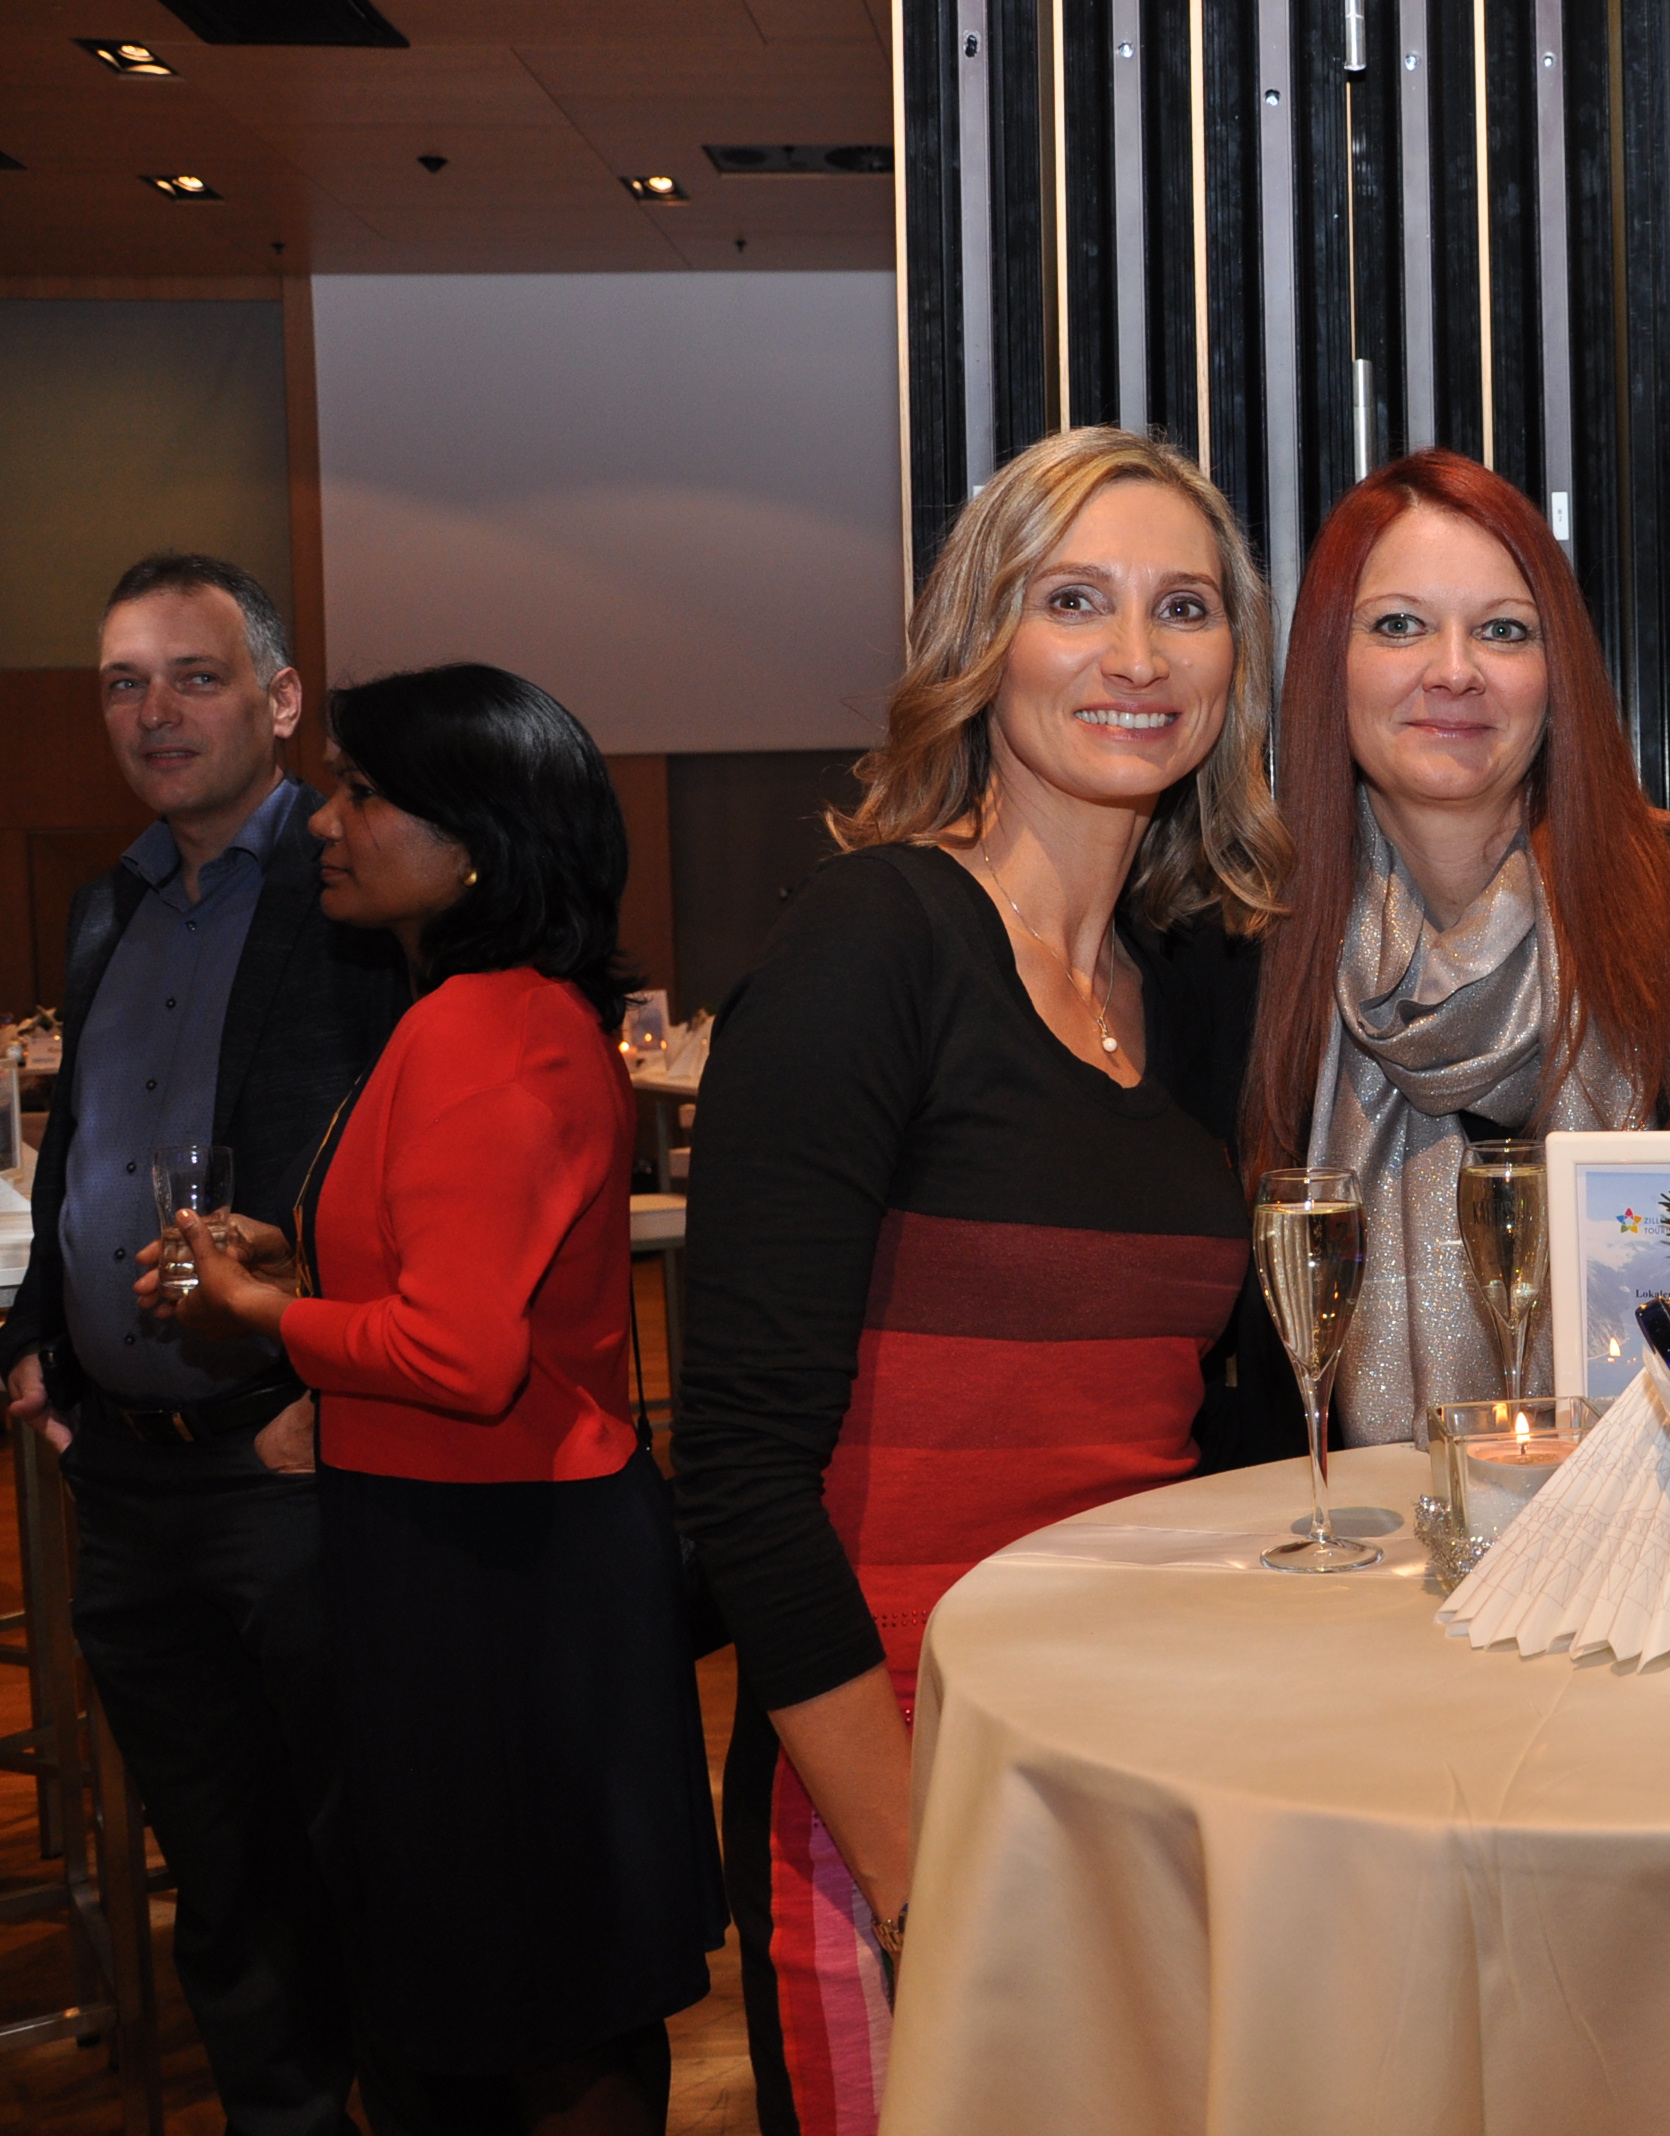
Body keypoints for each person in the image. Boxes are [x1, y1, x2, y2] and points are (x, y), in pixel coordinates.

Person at [671, 427, 1292, 2136]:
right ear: (980, 641)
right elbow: (740, 1468)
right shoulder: (875, 941)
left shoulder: (1188, 990)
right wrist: (916, 1871)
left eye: (1185, 608)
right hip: (900, 1774)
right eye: (1071, 601)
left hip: (1137, 1759)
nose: (1135, 654)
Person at [143, 662, 724, 2135]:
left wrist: (256, 1312)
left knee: (539, 2000)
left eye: (362, 794)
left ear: (475, 840)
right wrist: (294, 1257)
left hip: (501, 1572)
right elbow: (458, 1269)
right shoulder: (498, 1012)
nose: (324, 822)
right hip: (493, 1555)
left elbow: (463, 1360)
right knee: (541, 1988)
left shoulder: (482, 1028)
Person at [1238, 448, 1670, 1442]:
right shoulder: (1244, 953)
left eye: (1504, 630)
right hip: (1356, 1529)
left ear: (1560, 676)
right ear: (1328, 662)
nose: (1454, 669)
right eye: (1399, 625)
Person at [1, 553, 409, 2136]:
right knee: (221, 1877)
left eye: (196, 676)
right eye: (124, 682)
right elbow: (86, 1136)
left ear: (281, 700)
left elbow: (405, 1165)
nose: (154, 713)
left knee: (354, 1845)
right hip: (126, 1479)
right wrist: (43, 1338)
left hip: (286, 1461)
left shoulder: (353, 891)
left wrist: (323, 1376)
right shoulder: (106, 903)